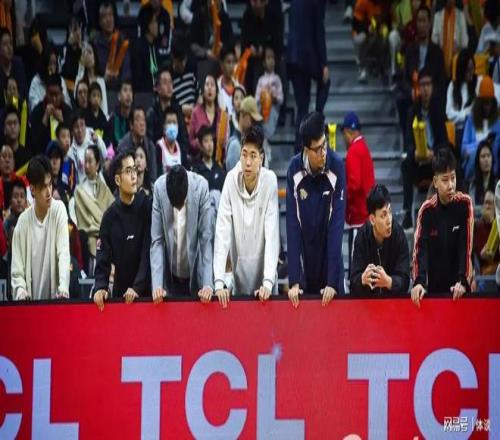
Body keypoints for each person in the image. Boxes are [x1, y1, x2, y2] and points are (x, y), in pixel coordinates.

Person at [210, 126, 279, 307]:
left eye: (253, 156)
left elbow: (272, 235)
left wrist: (268, 282)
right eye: (244, 154)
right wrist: (219, 282)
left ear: (261, 158)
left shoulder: (270, 181)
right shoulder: (230, 180)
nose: (247, 162)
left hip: (265, 285)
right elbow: (222, 233)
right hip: (238, 282)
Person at [286, 112, 346, 307]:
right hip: (306, 259)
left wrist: (332, 282)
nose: (323, 152)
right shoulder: (294, 170)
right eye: (318, 149)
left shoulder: (337, 167)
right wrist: (294, 279)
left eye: (324, 144)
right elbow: (293, 225)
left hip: (331, 257)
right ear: (306, 150)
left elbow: (337, 225)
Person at [411, 147, 474, 306]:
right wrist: (419, 282)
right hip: (433, 292)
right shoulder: (426, 210)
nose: (451, 185)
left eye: (453, 178)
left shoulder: (465, 204)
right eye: (445, 180)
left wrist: (463, 281)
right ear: (435, 182)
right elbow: (420, 250)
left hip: (460, 291)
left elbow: (466, 247)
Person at [93, 150, 152, 310]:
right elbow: (102, 258)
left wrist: (137, 287)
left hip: (147, 295)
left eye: (134, 170)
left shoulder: (146, 206)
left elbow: (147, 252)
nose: (134, 176)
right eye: (128, 171)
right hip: (121, 298)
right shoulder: (109, 217)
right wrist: (101, 287)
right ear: (117, 180)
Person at [11, 155, 70, 300]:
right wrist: (21, 291)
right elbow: (17, 272)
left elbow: (63, 253)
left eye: (50, 184)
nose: (49, 192)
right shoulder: (22, 223)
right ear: (32, 189)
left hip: (55, 303)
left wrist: (63, 287)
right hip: (30, 306)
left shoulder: (59, 210)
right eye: (43, 187)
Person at [150, 164, 213, 300]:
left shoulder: (201, 187)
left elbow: (206, 239)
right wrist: (157, 285)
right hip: (169, 278)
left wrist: (208, 284)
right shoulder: (159, 188)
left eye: (181, 204)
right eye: (174, 205)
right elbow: (157, 241)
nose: (178, 210)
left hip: (195, 277)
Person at [401, 67, 448, 229]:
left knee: (449, 160)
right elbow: (408, 141)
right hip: (419, 162)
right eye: (422, 85)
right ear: (418, 88)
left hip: (435, 161)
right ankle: (407, 212)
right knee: (405, 164)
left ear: (432, 87)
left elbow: (444, 142)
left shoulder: (439, 110)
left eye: (428, 84)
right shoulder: (412, 111)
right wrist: (414, 152)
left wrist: (433, 154)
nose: (426, 88)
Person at [350, 184, 410, 295]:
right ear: (372, 219)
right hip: (369, 302)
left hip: (393, 302)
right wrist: (362, 279)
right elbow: (353, 281)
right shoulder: (362, 237)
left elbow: (405, 281)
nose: (389, 220)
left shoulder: (399, 235)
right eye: (383, 215)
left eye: (390, 212)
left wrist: (389, 282)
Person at [286, 0, 330, 151]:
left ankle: (299, 147)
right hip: (307, 55)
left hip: (293, 55)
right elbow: (319, 31)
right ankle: (317, 121)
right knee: (325, 82)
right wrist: (323, 63)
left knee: (302, 106)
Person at [342, 112, 375, 276]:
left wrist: (343, 197)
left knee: (357, 267)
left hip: (358, 216)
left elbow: (354, 185)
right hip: (367, 214)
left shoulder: (353, 151)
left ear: (348, 132)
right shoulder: (364, 147)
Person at [75, 145, 115, 259]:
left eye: (90, 161)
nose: (86, 166)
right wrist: (102, 229)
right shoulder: (79, 191)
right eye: (85, 161)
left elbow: (113, 213)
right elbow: (84, 222)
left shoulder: (104, 189)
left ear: (97, 164)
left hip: (108, 236)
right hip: (90, 238)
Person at [461, 76, 500, 182]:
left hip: (493, 169)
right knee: (478, 153)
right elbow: (464, 149)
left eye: (489, 103)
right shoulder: (471, 120)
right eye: (485, 103)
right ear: (479, 103)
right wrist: (480, 145)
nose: (487, 107)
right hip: (473, 168)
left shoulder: (498, 123)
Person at [29, 74, 73, 156]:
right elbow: (34, 142)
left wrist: (62, 121)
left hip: (64, 156)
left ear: (61, 93)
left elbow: (72, 140)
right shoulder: (37, 111)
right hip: (42, 156)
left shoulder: (68, 111)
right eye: (51, 94)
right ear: (46, 92)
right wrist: (45, 118)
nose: (54, 99)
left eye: (56, 94)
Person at [91, 1, 131, 89]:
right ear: (99, 21)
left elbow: (127, 73)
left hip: (120, 91)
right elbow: (91, 76)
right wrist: (104, 80)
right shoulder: (94, 44)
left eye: (110, 15)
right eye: (104, 16)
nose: (108, 20)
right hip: (100, 91)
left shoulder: (122, 42)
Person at [147, 66, 188, 149]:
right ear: (158, 88)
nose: (169, 86)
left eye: (170, 82)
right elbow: (149, 142)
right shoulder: (152, 113)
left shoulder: (178, 110)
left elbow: (184, 139)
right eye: (165, 82)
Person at [352, 0, 392, 82]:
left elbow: (389, 20)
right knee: (360, 38)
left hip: (380, 33)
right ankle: (362, 68)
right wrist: (367, 29)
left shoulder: (386, 3)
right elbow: (356, 24)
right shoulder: (361, 2)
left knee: (388, 37)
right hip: (365, 33)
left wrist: (384, 27)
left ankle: (383, 68)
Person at [446, 49, 477, 146]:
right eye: (468, 70)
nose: (471, 73)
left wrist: (460, 115)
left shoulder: (477, 83)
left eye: (472, 69)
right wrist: (465, 115)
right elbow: (449, 113)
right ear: (462, 70)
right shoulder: (452, 86)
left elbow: (476, 110)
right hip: (459, 129)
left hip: (474, 129)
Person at [118, 106, 158, 183]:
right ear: (131, 125)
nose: (142, 123)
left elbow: (153, 176)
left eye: (143, 120)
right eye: (138, 120)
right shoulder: (123, 146)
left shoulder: (150, 146)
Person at [28, 45, 72, 111]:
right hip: (43, 114)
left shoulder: (61, 80)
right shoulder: (36, 81)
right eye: (50, 63)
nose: (52, 67)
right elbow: (34, 107)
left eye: (54, 63)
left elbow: (67, 104)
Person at [431, 0, 468, 78]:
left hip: (457, 59)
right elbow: (433, 41)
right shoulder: (438, 16)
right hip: (441, 58)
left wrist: (457, 48)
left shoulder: (461, 16)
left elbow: (465, 43)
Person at [68, 111, 107, 183]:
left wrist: (98, 141)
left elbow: (105, 156)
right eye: (76, 127)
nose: (80, 130)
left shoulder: (93, 138)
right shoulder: (70, 150)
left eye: (82, 125)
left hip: (99, 182)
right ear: (72, 131)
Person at [225, 95, 262, 171]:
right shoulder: (235, 145)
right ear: (243, 115)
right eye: (252, 119)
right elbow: (234, 176)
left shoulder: (245, 142)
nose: (253, 123)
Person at [189, 74, 223, 155]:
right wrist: (201, 143)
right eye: (207, 85)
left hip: (218, 158)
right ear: (203, 90)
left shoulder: (222, 114)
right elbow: (191, 141)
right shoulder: (196, 112)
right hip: (200, 156)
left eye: (212, 85)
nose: (209, 88)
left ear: (216, 91)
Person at [255, 45, 284, 139]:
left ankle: (268, 133)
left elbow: (281, 99)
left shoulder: (277, 79)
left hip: (272, 110)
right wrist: (264, 95)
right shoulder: (261, 80)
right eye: (268, 58)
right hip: (262, 110)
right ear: (264, 62)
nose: (271, 61)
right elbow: (256, 99)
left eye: (272, 58)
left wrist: (273, 97)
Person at [132, 3, 162, 92]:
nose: (157, 24)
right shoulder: (138, 48)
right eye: (155, 21)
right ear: (147, 24)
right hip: (144, 94)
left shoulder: (155, 45)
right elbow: (138, 80)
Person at [75, 41, 108, 117]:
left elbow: (104, 107)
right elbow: (76, 101)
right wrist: (81, 64)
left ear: (95, 56)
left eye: (90, 52)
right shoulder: (79, 78)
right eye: (85, 53)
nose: (87, 56)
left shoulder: (101, 81)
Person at [473, 190, 500, 279]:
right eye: (486, 203)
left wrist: (492, 222)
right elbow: (480, 253)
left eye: (491, 203)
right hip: (483, 274)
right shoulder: (477, 226)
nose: (488, 206)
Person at [191, 125, 226, 192]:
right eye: (206, 141)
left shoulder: (219, 168)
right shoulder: (196, 171)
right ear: (200, 145)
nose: (210, 145)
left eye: (211, 140)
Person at [0, 27, 27, 107]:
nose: (9, 47)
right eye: (5, 44)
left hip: (19, 108)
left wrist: (14, 102)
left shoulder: (18, 64)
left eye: (11, 43)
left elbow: (23, 92)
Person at [156, 106, 187, 174]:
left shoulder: (181, 148)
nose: (172, 126)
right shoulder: (159, 147)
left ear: (178, 126)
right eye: (169, 122)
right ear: (164, 127)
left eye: (174, 122)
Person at [2, 106, 31, 173]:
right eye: (9, 123)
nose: (12, 127)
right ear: (4, 129)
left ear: (20, 127)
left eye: (15, 123)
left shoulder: (27, 158)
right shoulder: (1, 156)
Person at [469, 140, 496, 206]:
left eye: (488, 155)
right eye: (483, 156)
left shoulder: (497, 184)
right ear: (478, 160)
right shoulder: (473, 185)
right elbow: (472, 208)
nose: (486, 160)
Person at [109, 79, 133, 148]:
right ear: (119, 96)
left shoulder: (135, 118)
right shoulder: (113, 119)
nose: (128, 94)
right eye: (125, 90)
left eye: (130, 90)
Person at [85, 81, 111, 146]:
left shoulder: (103, 117)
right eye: (94, 95)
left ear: (101, 99)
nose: (96, 99)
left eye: (98, 96)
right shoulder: (84, 115)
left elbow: (107, 136)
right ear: (89, 98)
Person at [217, 45, 240, 115]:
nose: (231, 66)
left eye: (233, 62)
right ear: (221, 64)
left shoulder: (239, 87)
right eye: (228, 62)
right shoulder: (216, 88)